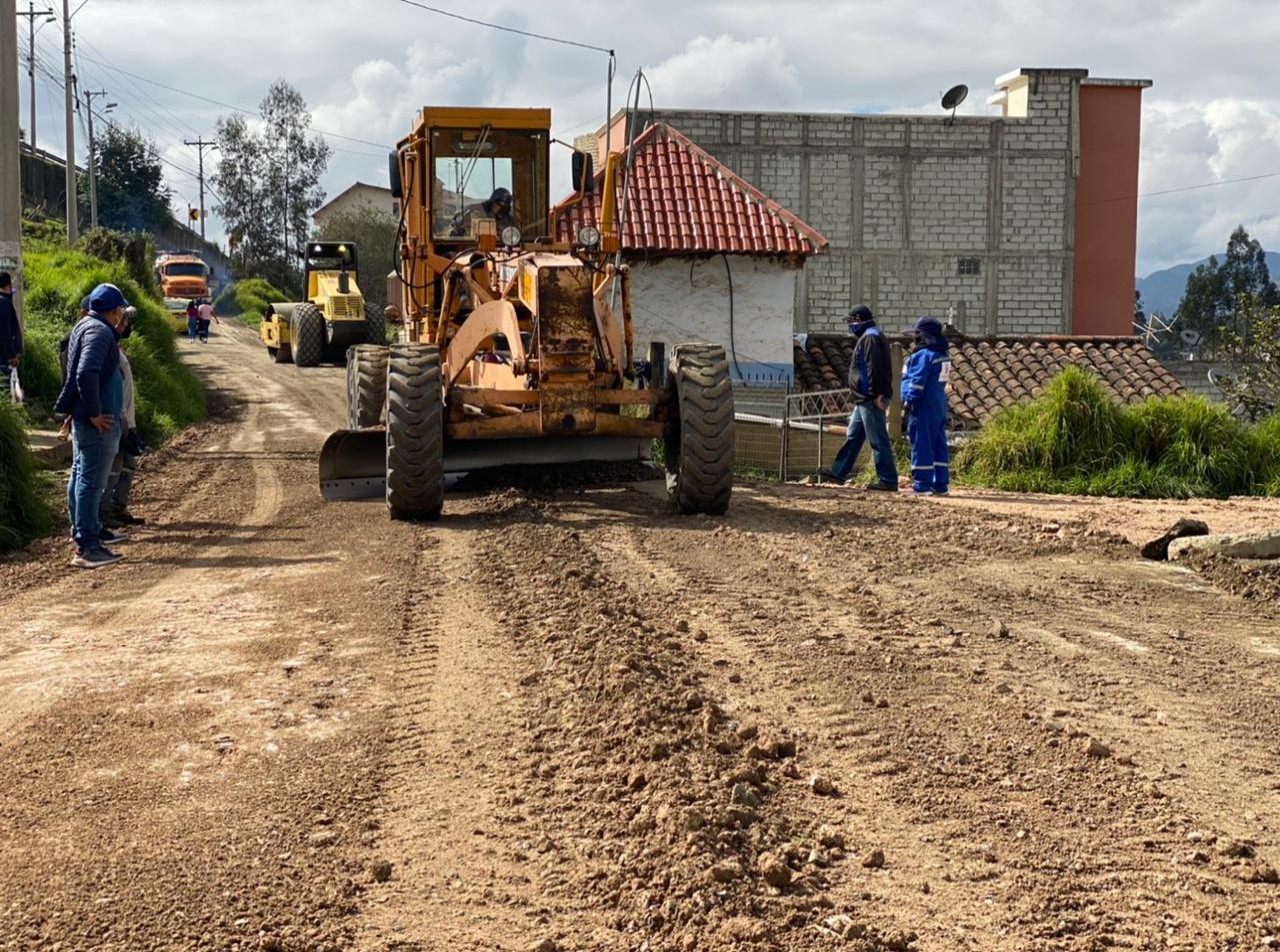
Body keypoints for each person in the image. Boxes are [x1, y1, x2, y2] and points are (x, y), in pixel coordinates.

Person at [55, 283, 130, 569]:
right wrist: (95, 413)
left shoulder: (85, 326)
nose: (120, 316)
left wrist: (79, 409)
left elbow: (76, 373)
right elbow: (85, 373)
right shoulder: (99, 332)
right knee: (90, 481)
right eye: (120, 310)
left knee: (80, 476)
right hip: (98, 423)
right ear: (113, 311)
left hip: (87, 419)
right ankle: (87, 546)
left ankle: (86, 533)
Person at [819, 305, 899, 491]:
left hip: (870, 398)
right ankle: (839, 472)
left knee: (878, 439)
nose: (850, 326)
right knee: (853, 436)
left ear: (858, 319)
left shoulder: (870, 337)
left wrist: (876, 395)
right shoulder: (871, 335)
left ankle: (888, 480)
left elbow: (874, 369)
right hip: (863, 399)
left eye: (851, 321)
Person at [103, 307, 146, 529]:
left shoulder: (116, 349)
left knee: (127, 464)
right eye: (120, 320)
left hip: (126, 420)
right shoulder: (105, 349)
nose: (125, 326)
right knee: (113, 468)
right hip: (117, 420)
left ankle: (117, 507)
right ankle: (105, 514)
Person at [901, 316, 952, 495]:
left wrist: (907, 405)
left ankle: (922, 485)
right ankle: (940, 484)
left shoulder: (923, 356)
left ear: (924, 336)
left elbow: (916, 382)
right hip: (939, 401)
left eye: (917, 334)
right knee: (938, 443)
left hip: (923, 403)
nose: (914, 338)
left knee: (921, 441)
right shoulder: (943, 355)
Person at [450, 187, 515, 237]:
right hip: (467, 246)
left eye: (507, 204)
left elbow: (511, 235)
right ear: (494, 202)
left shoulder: (506, 218)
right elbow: (455, 230)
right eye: (503, 203)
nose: (504, 207)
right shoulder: (473, 211)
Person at [0, 271, 22, 401]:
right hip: (3, 355)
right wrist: (12, 355)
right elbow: (4, 332)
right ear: (9, 284)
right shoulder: (3, 303)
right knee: (5, 389)